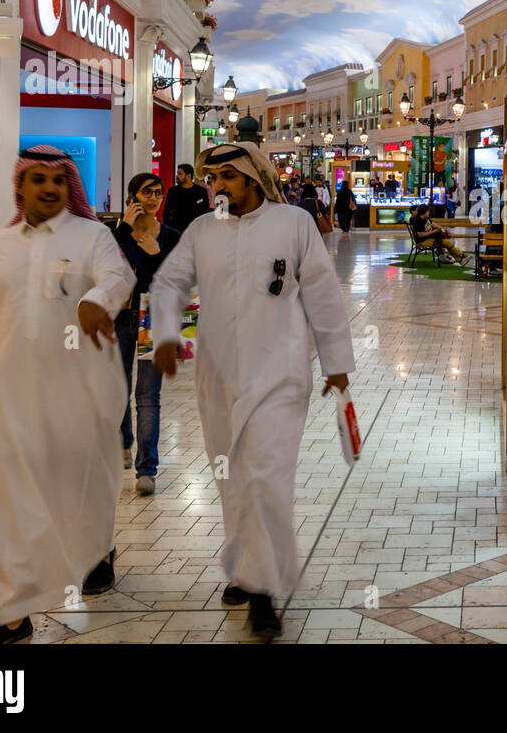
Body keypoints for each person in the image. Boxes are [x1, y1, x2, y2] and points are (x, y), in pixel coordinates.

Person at [150, 142, 355, 639]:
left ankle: (263, 590)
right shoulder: (201, 230)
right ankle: (246, 564)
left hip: (280, 376)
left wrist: (337, 363)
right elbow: (169, 283)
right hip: (218, 378)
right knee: (233, 476)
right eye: (211, 178)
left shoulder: (293, 223)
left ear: (251, 179)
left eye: (226, 177)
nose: (216, 186)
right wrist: (165, 334)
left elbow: (323, 291)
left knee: (265, 477)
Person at [0, 146, 135, 644]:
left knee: (77, 496)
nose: (49, 188)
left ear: (68, 186)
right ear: (20, 187)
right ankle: (14, 614)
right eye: (37, 180)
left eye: (57, 180)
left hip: (78, 399)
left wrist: (97, 300)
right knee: (13, 503)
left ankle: (93, 554)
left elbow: (120, 276)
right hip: (11, 398)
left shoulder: (93, 235)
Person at [113, 172, 181, 495]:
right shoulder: (117, 233)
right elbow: (107, 267)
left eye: (158, 192)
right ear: (132, 197)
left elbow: (174, 280)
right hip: (120, 316)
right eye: (146, 192)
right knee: (118, 386)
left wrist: (155, 256)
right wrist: (124, 229)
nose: (153, 198)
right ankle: (124, 441)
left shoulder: (171, 237)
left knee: (147, 395)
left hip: (153, 318)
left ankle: (147, 468)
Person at [164, 163, 212, 234]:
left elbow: (205, 211)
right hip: (177, 232)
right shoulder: (173, 191)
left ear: (188, 176)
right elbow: (166, 212)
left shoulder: (201, 191)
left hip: (196, 231)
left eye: (180, 173)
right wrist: (170, 228)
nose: (177, 176)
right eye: (177, 173)